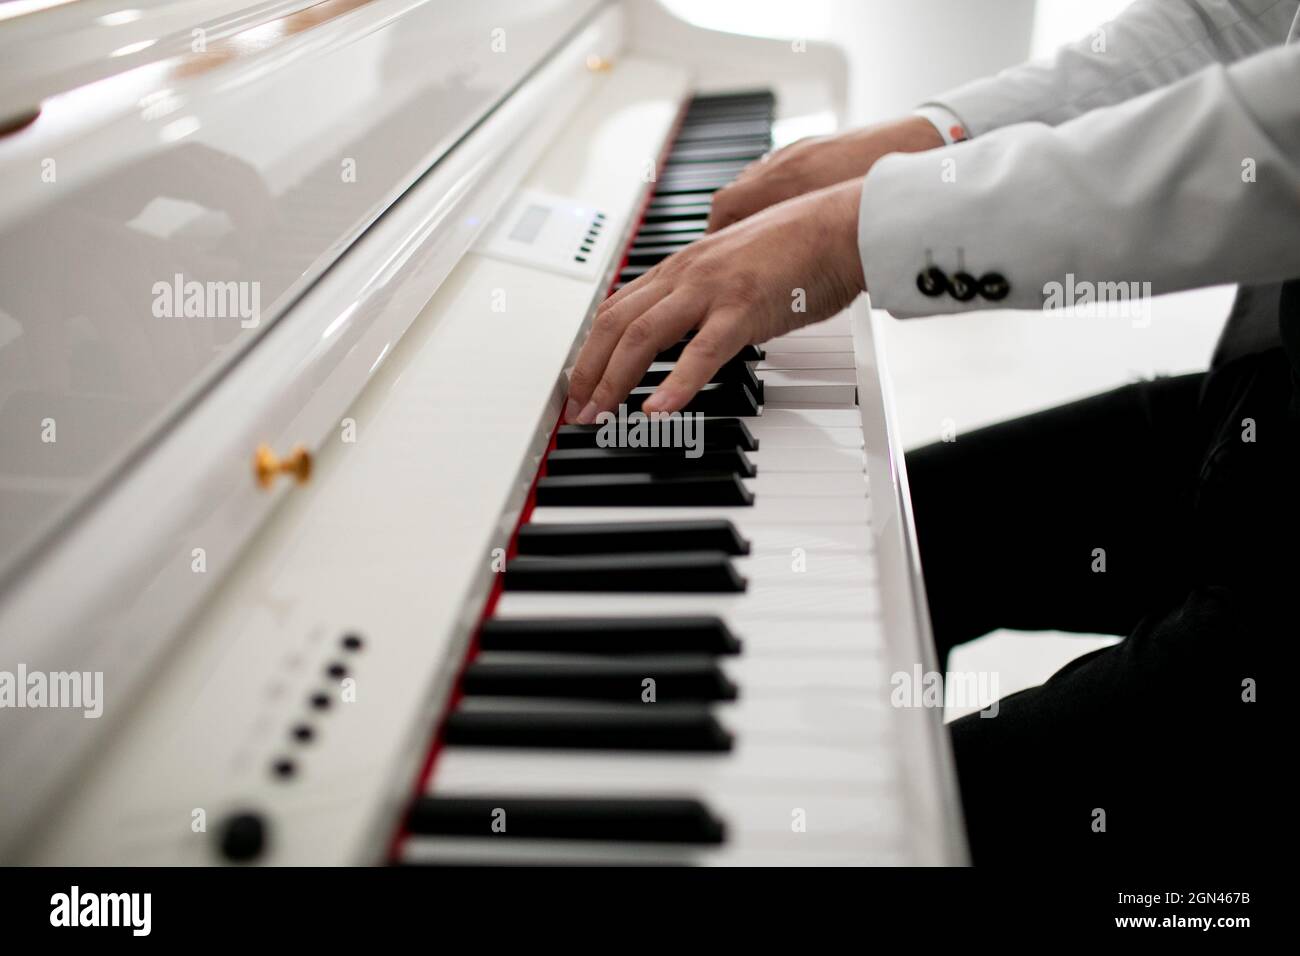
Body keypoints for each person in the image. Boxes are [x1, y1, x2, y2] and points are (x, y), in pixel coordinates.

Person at [566, 0, 1299, 863]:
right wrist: (931, 138)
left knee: (877, 829)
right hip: (1266, 396)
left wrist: (857, 229)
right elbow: (1237, 21)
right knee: (880, 538)